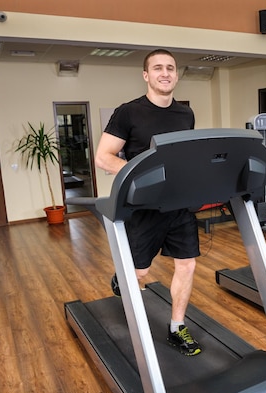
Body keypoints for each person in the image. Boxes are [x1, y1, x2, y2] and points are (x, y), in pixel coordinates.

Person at [95, 49, 201, 356]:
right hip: (143, 206)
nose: (165, 72)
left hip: (178, 204)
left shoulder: (185, 114)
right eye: (158, 68)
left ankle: (176, 327)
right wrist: (142, 173)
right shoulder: (128, 112)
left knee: (187, 265)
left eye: (170, 68)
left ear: (176, 74)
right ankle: (124, 276)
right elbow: (104, 157)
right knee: (140, 273)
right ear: (146, 75)